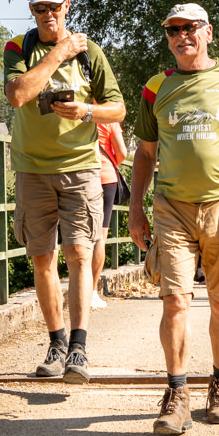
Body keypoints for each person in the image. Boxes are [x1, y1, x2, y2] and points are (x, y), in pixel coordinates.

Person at [128, 3, 219, 435]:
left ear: (207, 32)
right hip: (172, 207)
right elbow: (144, 153)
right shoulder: (157, 87)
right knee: (175, 300)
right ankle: (177, 394)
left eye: (190, 28)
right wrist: (135, 207)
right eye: (173, 29)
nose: (181, 36)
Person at [4, 0, 126, 383]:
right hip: (33, 169)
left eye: (55, 7)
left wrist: (87, 112)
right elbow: (19, 94)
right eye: (41, 8)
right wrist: (59, 51)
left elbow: (119, 109)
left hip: (81, 168)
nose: (48, 14)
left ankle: (78, 348)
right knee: (42, 258)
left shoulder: (91, 52)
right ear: (32, 10)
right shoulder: (18, 49)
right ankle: (55, 344)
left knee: (77, 253)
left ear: (67, 6)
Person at [94, 119, 127, 310]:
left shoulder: (76, 107)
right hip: (106, 178)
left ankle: (78, 287)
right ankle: (91, 291)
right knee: (101, 236)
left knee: (79, 234)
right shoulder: (109, 116)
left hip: (78, 176)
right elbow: (122, 152)